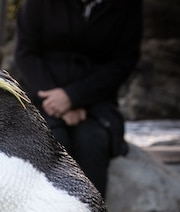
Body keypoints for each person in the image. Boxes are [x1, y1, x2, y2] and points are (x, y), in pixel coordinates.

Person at [15, 0, 143, 197]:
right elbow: (26, 54)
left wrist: (73, 97)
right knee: (51, 141)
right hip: (42, 96)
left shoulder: (126, 6)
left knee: (93, 143)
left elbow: (123, 62)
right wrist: (58, 100)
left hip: (96, 101)